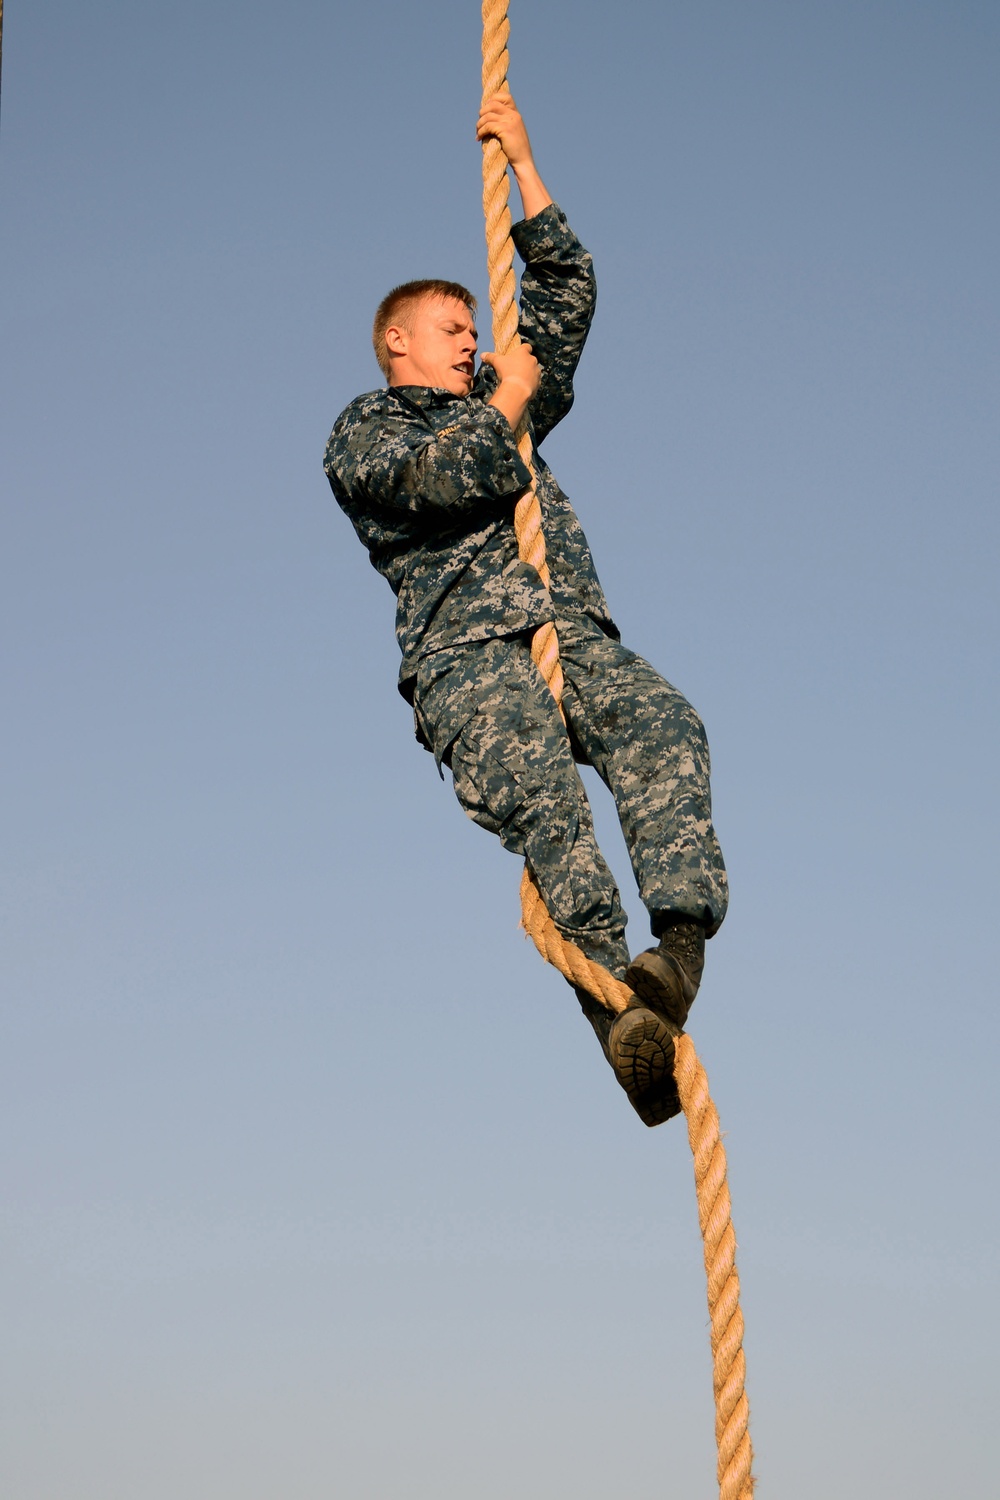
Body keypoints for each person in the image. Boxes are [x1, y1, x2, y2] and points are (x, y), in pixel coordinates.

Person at [324, 95, 728, 1126]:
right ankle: (617, 1027)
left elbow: (563, 292)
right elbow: (453, 477)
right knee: (551, 811)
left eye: (473, 328)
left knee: (665, 723)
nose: (470, 342)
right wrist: (508, 402)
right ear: (398, 343)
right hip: (471, 655)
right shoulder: (369, 430)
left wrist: (524, 162)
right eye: (450, 330)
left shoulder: (499, 390)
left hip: (568, 628)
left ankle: (672, 959)